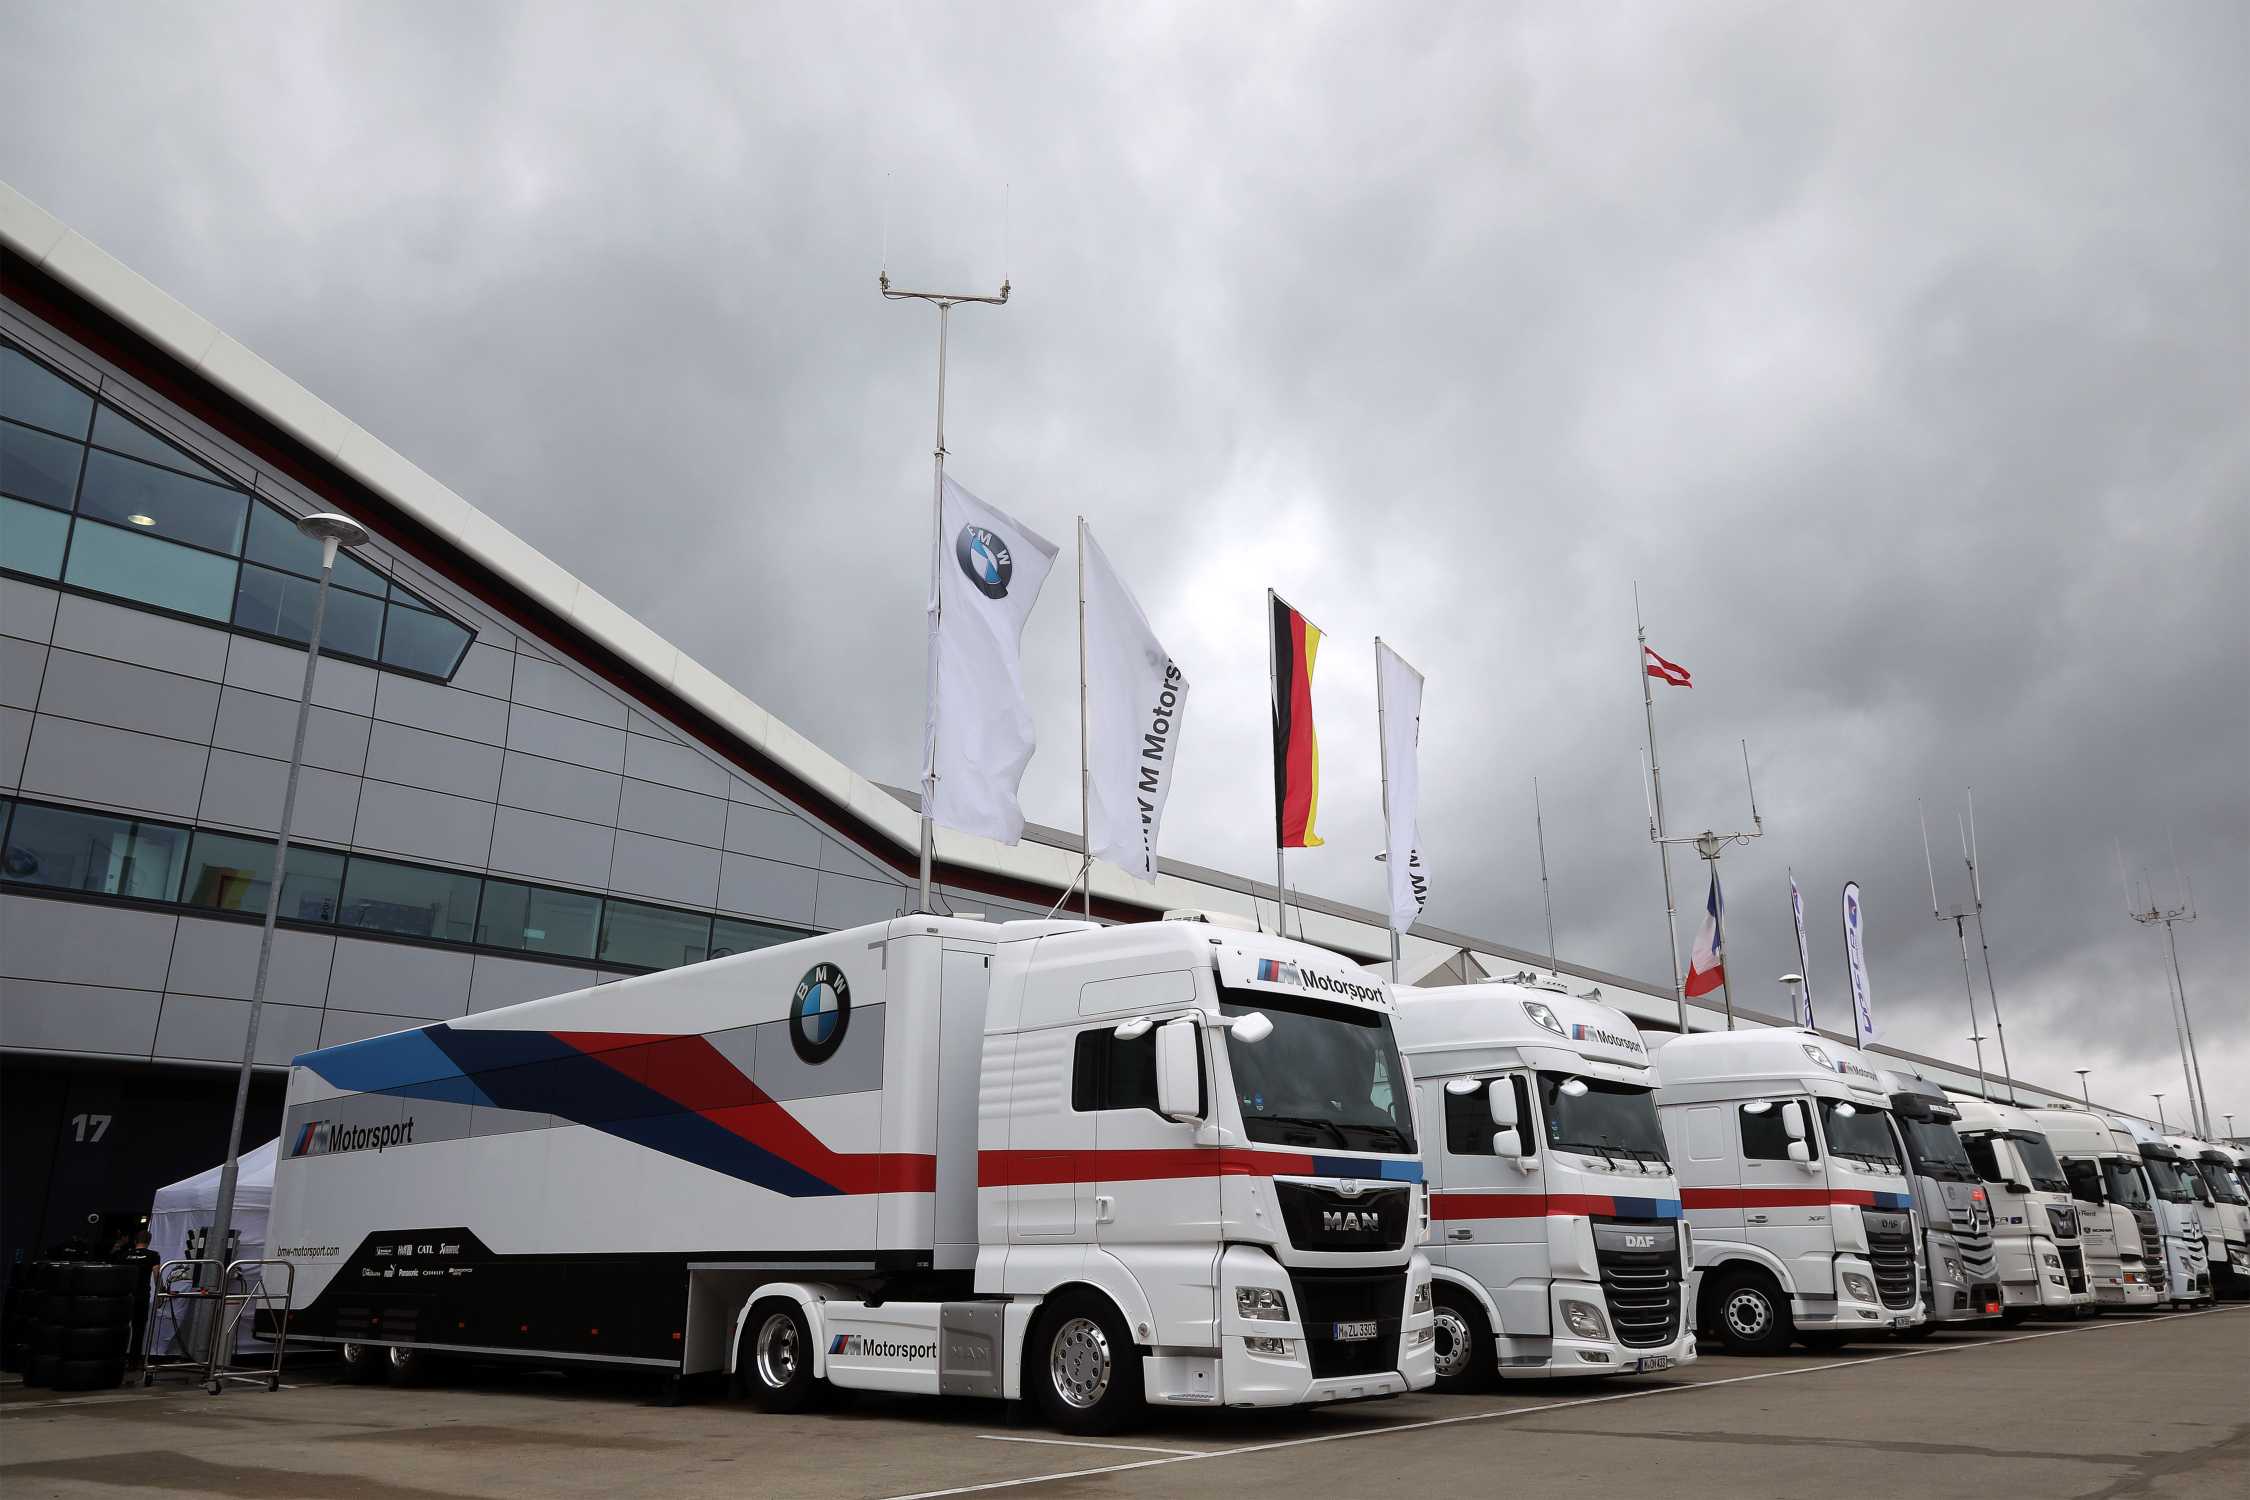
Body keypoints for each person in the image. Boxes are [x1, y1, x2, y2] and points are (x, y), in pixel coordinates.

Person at [116, 1229, 161, 1365]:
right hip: (141, 1295)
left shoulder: (125, 1255)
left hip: (125, 1296)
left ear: (135, 1241)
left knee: (121, 1327)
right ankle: (133, 1361)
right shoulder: (153, 1255)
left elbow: (119, 1274)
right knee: (138, 1329)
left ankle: (118, 1358)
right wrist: (161, 1292)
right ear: (149, 1241)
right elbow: (156, 1274)